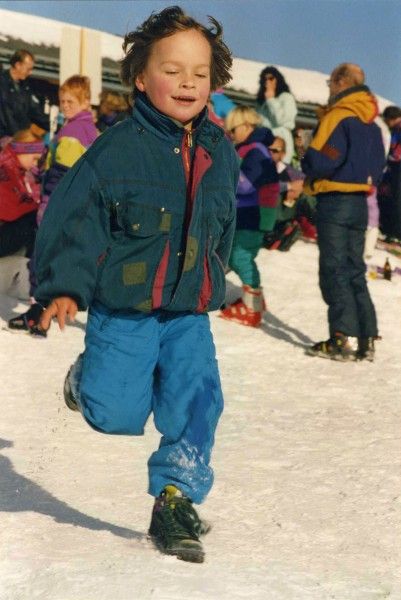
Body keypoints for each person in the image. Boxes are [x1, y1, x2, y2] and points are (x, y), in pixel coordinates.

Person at [33, 6, 238, 563]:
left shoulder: (221, 154)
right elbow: (74, 223)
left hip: (186, 311)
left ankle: (176, 496)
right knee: (116, 412)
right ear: (141, 78)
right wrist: (65, 287)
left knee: (197, 399)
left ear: (214, 79)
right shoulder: (115, 150)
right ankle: (86, 381)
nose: (188, 82)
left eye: (199, 71)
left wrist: (218, 276)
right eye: (172, 70)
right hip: (124, 305)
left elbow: (223, 226)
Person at [302, 63, 386, 361]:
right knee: (355, 271)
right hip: (360, 203)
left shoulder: (338, 115)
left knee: (335, 270)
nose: (328, 88)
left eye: (330, 82)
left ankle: (343, 337)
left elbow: (321, 159)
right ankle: (366, 338)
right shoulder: (373, 125)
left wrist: (307, 158)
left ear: (340, 82)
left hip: (335, 200)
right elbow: (379, 168)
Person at [8, 75, 98, 335]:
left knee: (41, 258)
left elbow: (63, 175)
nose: (65, 105)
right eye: (62, 101)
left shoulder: (72, 133)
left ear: (85, 102)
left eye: (71, 101)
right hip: (76, 207)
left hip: (56, 205)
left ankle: (38, 314)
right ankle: (42, 313)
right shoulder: (87, 129)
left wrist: (47, 197)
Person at [220, 106, 279, 327]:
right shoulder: (253, 148)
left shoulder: (254, 150)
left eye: (232, 131)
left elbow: (247, 184)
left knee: (240, 256)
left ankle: (252, 307)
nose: (231, 136)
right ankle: (253, 299)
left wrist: (225, 171)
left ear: (246, 126)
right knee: (236, 253)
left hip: (254, 213)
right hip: (250, 211)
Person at [0, 129, 44, 258]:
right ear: (23, 151)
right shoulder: (6, 169)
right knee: (34, 221)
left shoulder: (13, 166)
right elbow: (10, 206)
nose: (35, 164)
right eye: (34, 159)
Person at [0, 49, 49, 139]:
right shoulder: (2, 84)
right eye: (28, 69)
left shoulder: (25, 85)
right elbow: (7, 118)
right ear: (18, 65)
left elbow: (35, 111)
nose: (30, 73)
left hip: (19, 137)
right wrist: (21, 139)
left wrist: (57, 126)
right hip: (6, 138)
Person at [255, 66, 297, 163]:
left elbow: (282, 121)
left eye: (271, 78)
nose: (267, 81)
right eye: (264, 79)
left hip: (281, 140)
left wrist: (271, 100)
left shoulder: (286, 97)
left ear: (278, 79)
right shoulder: (261, 102)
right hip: (264, 140)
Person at [378, 105, 401, 243]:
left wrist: (391, 157)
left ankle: (395, 232)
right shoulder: (394, 130)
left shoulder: (398, 129)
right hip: (394, 168)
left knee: (397, 200)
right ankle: (392, 230)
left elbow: (396, 153)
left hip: (397, 168)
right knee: (392, 198)